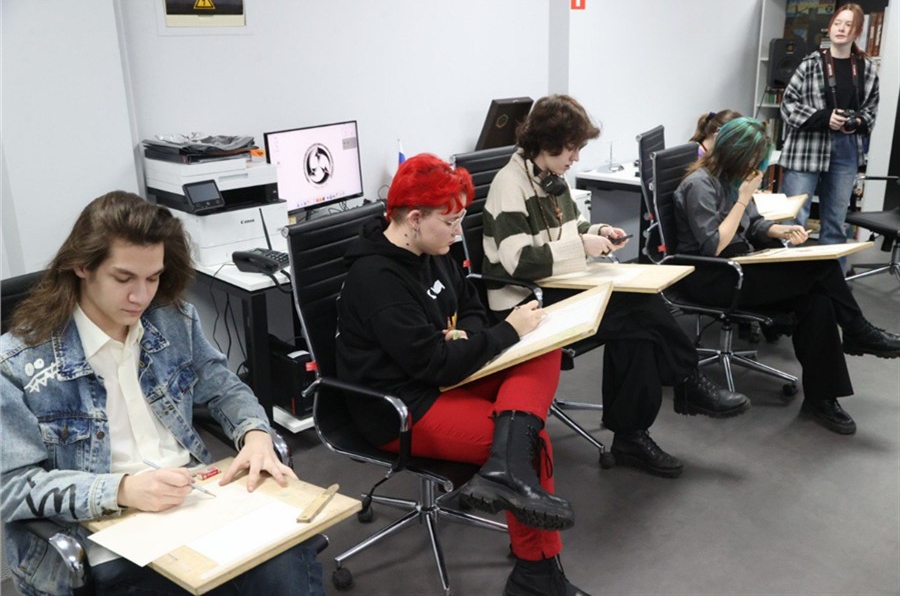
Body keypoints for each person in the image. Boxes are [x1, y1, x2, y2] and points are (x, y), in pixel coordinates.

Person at [0, 192, 324, 596]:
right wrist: (122, 490)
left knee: (286, 563)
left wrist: (255, 432)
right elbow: (12, 488)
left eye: (152, 278)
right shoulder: (18, 363)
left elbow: (223, 386)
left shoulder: (172, 320)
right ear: (82, 266)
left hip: (194, 501)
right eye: (124, 279)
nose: (141, 296)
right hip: (104, 535)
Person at [335, 153, 588, 596]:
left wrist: (468, 336)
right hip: (402, 406)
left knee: (543, 346)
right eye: (450, 222)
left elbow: (470, 305)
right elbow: (433, 362)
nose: (458, 232)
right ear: (415, 219)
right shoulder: (377, 278)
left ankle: (505, 466)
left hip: (444, 373)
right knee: (532, 443)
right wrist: (503, 333)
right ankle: (536, 576)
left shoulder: (432, 251)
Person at [482, 94, 750, 480]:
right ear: (547, 143)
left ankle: (634, 435)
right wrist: (582, 246)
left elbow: (574, 227)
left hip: (556, 284)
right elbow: (518, 261)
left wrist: (600, 231)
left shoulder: (550, 178)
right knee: (638, 311)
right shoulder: (510, 185)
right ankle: (681, 386)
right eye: (571, 149)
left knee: (638, 325)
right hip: (524, 302)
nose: (576, 158)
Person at [672, 116, 900, 435]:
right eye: (752, 159)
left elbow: (752, 223)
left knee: (818, 300)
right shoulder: (699, 185)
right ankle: (858, 330)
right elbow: (713, 245)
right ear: (735, 154)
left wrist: (778, 230)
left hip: (740, 265)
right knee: (820, 268)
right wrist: (743, 197)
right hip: (712, 277)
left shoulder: (731, 177)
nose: (755, 167)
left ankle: (822, 398)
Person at [780, 3, 880, 271]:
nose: (842, 29)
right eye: (838, 23)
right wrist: (825, 118)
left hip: (846, 148)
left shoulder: (867, 69)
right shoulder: (810, 64)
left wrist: (855, 122)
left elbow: (871, 111)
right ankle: (787, 279)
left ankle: (831, 280)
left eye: (848, 25)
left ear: (857, 32)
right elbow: (787, 106)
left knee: (835, 221)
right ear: (830, 27)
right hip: (807, 147)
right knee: (793, 219)